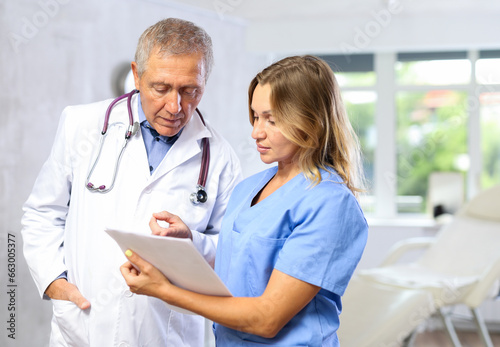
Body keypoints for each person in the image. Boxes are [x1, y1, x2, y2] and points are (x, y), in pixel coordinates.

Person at [21, 18, 241, 346]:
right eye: (161, 88)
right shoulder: (81, 126)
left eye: (189, 90)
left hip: (168, 333)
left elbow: (233, 252)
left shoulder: (220, 158)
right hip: (84, 325)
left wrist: (193, 239)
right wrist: (55, 283)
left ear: (204, 82)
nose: (175, 106)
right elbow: (41, 213)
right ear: (137, 75)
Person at [121, 55, 368, 346]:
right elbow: (240, 267)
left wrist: (163, 290)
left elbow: (267, 319)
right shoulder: (248, 189)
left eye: (272, 120)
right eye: (255, 116)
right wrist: (189, 240)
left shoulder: (329, 203)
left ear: (311, 120)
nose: (256, 132)